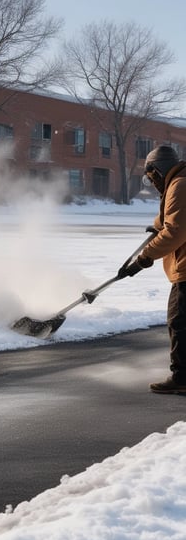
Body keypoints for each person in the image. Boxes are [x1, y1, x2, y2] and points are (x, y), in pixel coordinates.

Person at [118, 144, 186, 394]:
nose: (152, 182)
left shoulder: (179, 185)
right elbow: (170, 219)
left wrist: (144, 258)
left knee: (179, 322)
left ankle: (182, 378)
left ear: (157, 170)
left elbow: (175, 231)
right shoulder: (178, 182)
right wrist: (157, 225)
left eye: (150, 177)